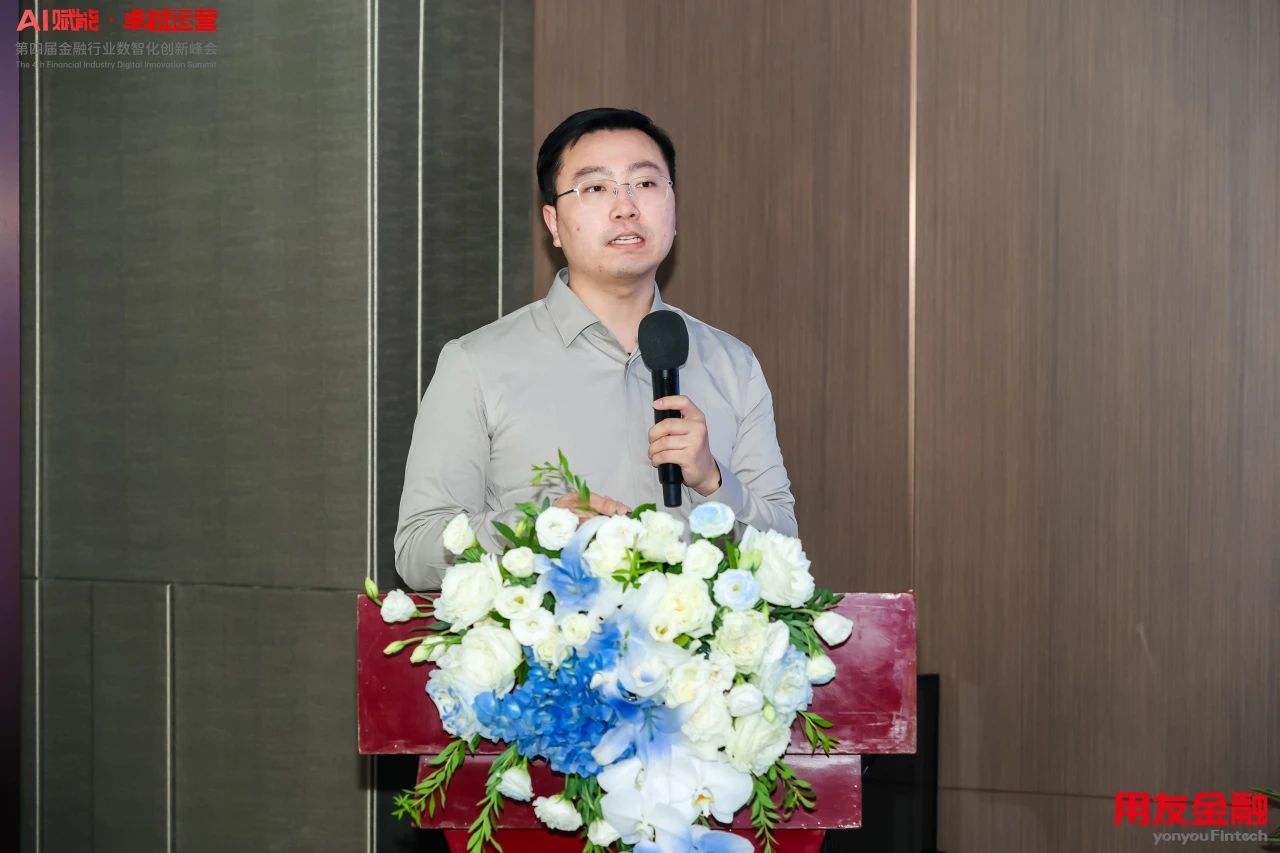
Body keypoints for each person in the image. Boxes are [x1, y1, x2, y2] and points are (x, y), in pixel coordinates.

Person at [394, 107, 795, 590]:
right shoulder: (476, 365)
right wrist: (537, 531)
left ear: (673, 208)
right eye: (596, 188)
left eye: (645, 184)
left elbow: (785, 555)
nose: (626, 207)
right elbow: (417, 551)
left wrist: (713, 480)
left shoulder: (732, 364)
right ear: (554, 223)